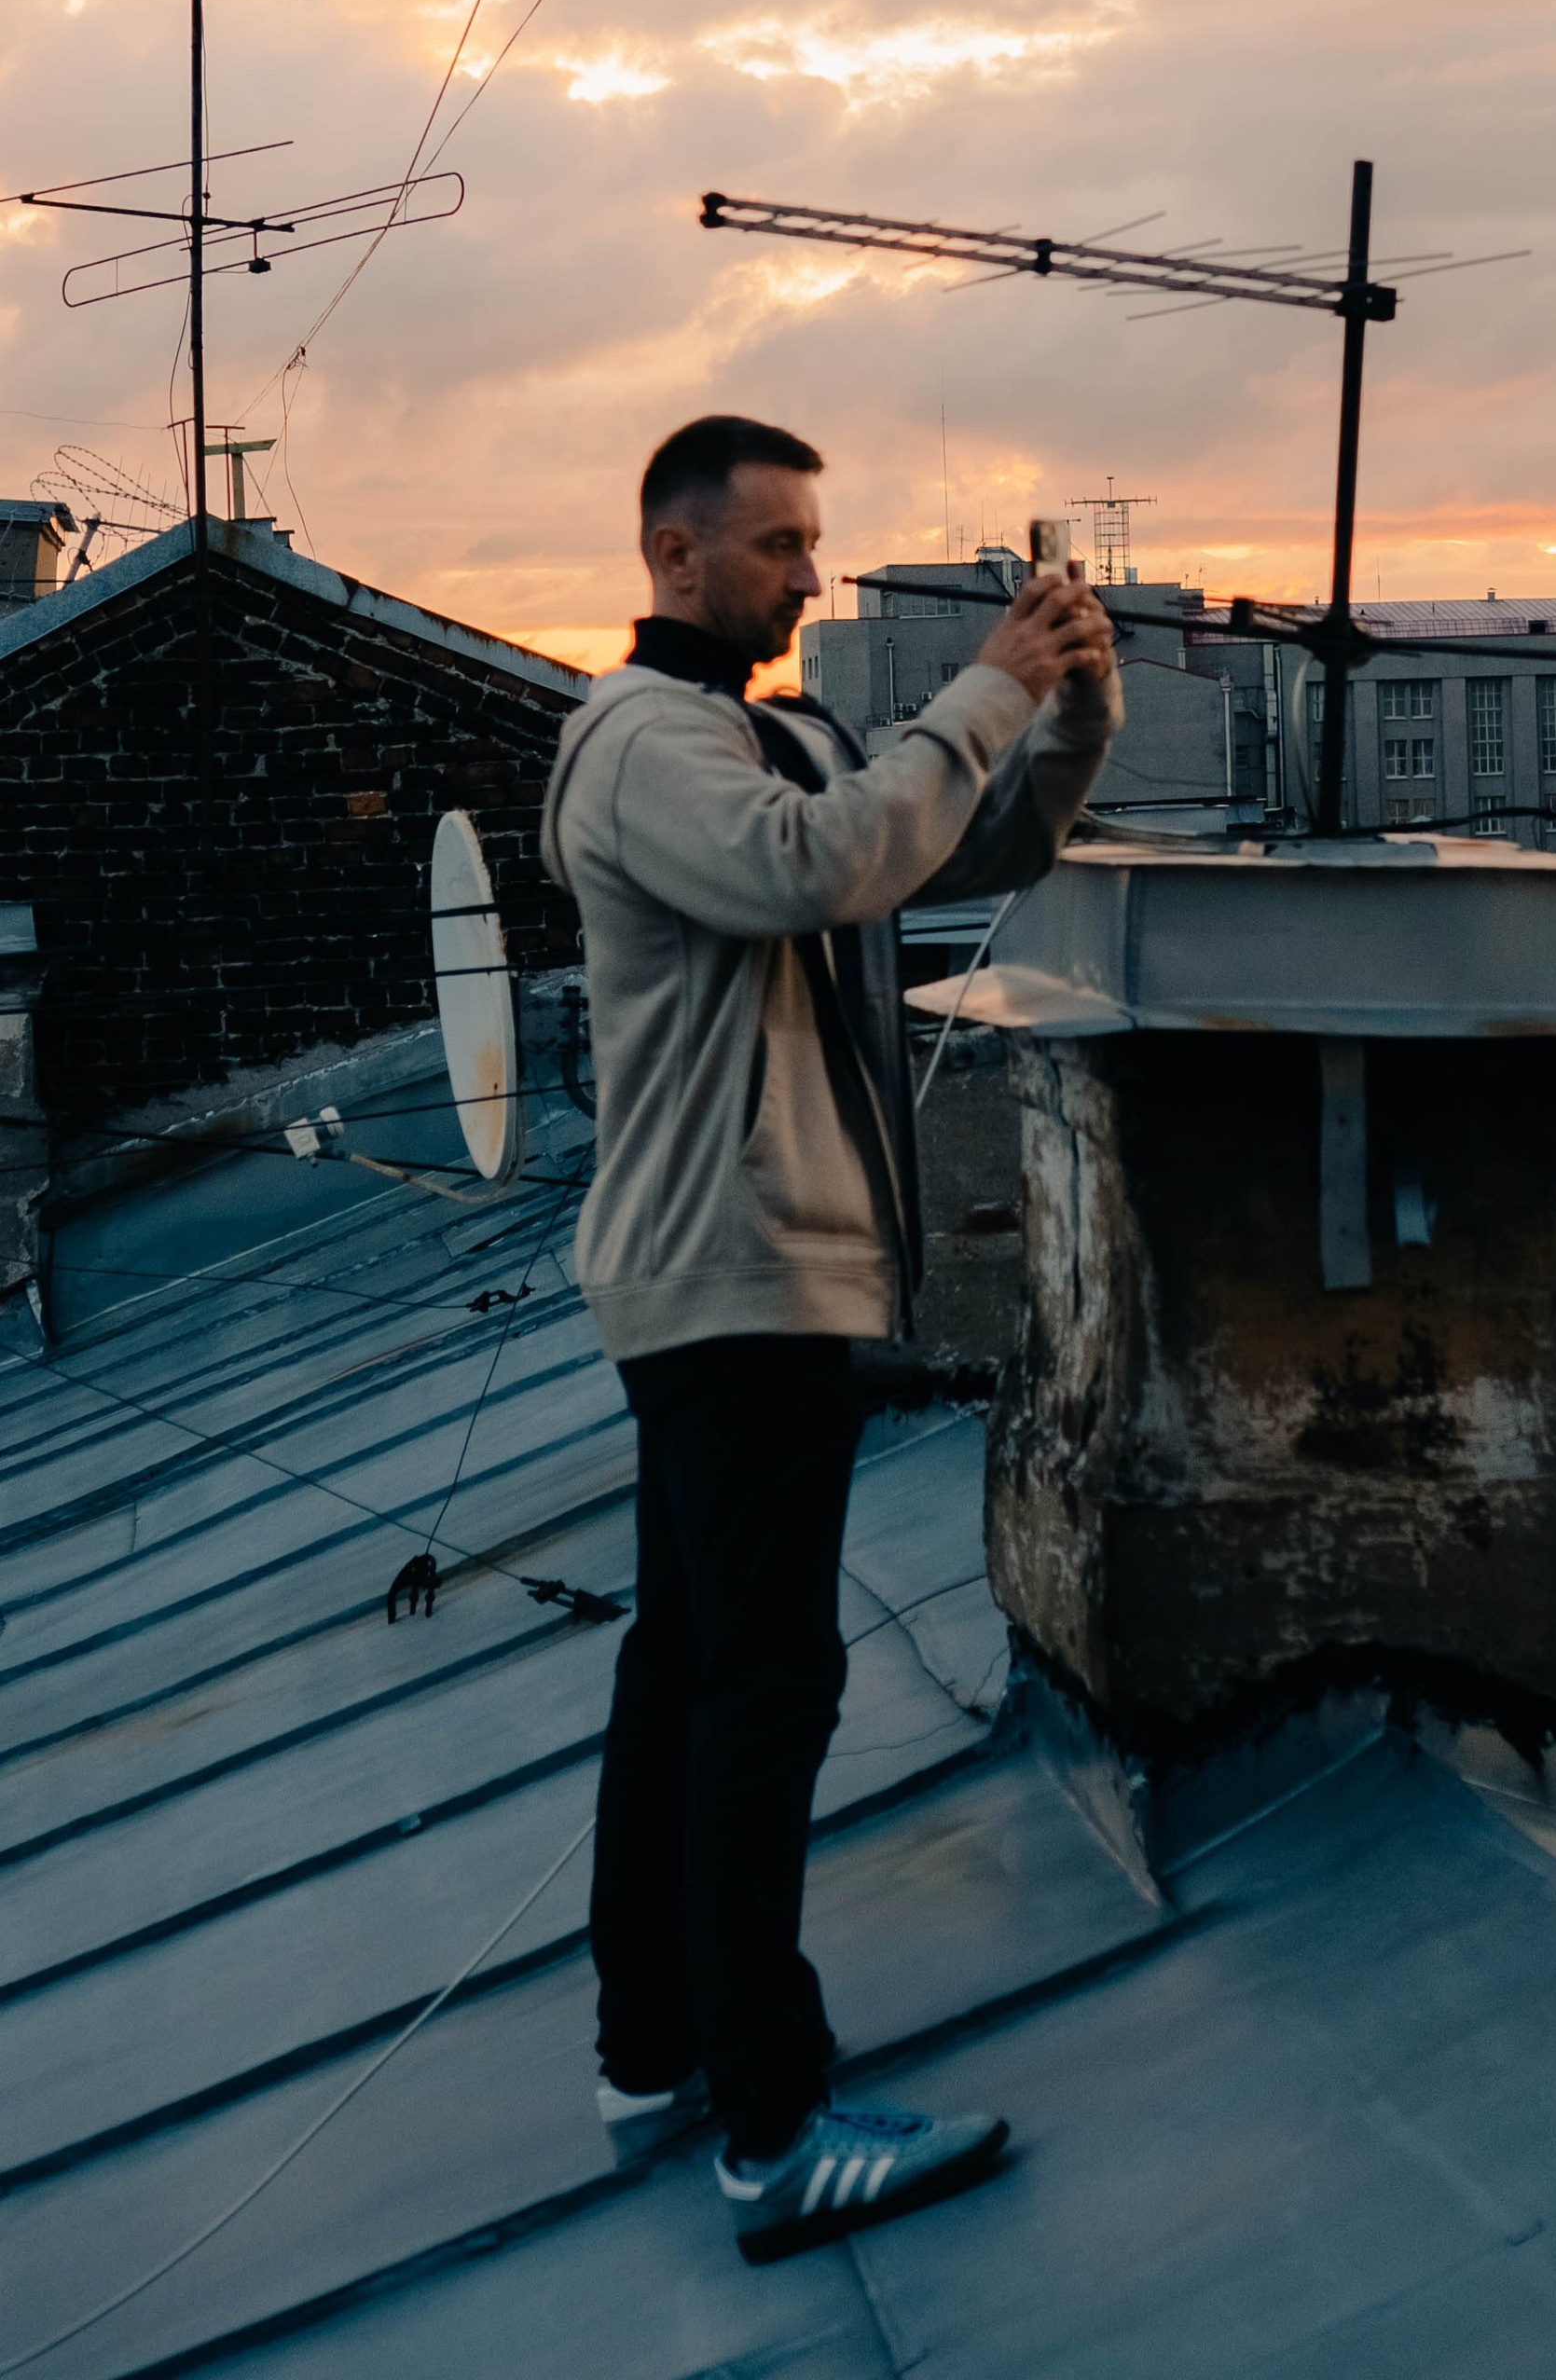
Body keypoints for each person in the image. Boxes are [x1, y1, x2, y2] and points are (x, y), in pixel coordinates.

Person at [541, 411, 1120, 2263]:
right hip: (733, 1279)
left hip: (747, 1276)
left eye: (813, 541)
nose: (809, 572)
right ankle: (773, 2128)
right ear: (676, 557)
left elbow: (947, 843)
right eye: (780, 545)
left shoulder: (758, 735)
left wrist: (1066, 708)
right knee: (760, 1693)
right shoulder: (640, 743)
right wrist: (974, 687)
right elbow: (819, 870)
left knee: (687, 1673)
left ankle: (656, 2058)